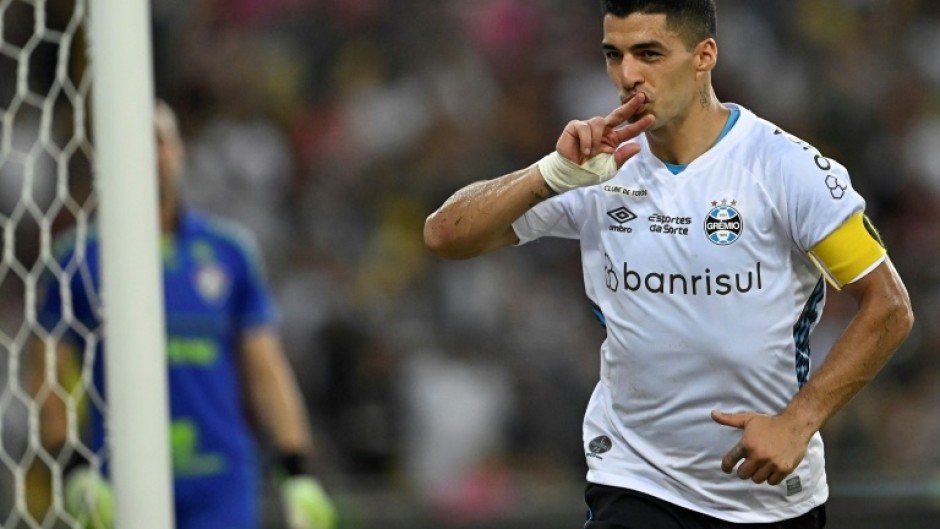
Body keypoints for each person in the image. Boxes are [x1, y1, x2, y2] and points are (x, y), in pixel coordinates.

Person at [423, 1, 914, 527]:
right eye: (614, 55)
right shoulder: (600, 167)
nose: (628, 75)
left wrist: (799, 422)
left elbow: (889, 306)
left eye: (649, 53)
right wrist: (549, 174)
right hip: (635, 481)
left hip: (766, 495)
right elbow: (445, 235)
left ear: (705, 56)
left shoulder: (786, 169)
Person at [29, 101, 336, 529]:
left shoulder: (230, 252)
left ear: (179, 150)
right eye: (134, 142)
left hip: (220, 484)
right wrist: (73, 468)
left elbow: (266, 369)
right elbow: (48, 375)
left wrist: (298, 470)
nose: (149, 155)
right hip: (119, 482)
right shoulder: (76, 258)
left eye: (158, 141)